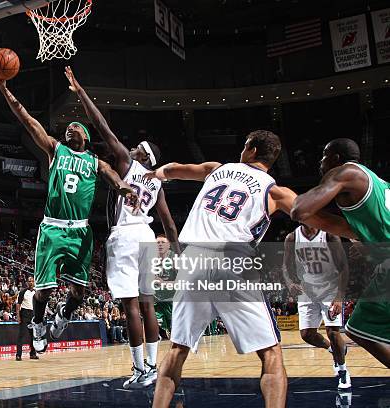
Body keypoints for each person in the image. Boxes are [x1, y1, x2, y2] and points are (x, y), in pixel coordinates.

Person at [145, 130, 354, 407]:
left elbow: (174, 170)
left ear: (252, 150)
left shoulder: (216, 170)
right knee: (271, 354)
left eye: (245, 146)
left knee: (177, 350)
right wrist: (363, 231)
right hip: (233, 260)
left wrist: (155, 174)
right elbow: (321, 219)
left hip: (192, 260)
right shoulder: (276, 191)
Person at [0, 65, 139, 354]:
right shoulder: (55, 149)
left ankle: (65, 316)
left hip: (80, 231)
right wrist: (4, 89)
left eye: (76, 126)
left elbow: (115, 181)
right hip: (53, 227)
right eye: (68, 127)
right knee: (43, 290)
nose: (70, 127)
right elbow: (28, 120)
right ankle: (40, 324)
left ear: (86, 138)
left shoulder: (96, 162)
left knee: (79, 292)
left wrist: (126, 190)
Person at [65, 66, 179, 388]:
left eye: (137, 148)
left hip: (126, 238)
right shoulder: (157, 183)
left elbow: (101, 126)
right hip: (146, 237)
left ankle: (140, 369)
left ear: (143, 155)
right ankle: (153, 366)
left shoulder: (128, 164)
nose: (130, 148)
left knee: (130, 306)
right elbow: (169, 224)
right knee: (148, 304)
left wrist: (80, 90)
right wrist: (179, 253)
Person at [292, 138, 390, 368]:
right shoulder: (376, 183)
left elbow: (300, 210)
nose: (320, 162)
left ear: (335, 158)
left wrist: (290, 201)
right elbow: (344, 227)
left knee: (359, 330)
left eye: (324, 156)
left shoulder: (344, 173)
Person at [283, 224, 350, 388]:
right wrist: (290, 283)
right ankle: (334, 350)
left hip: (330, 289)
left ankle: (342, 371)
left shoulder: (329, 235)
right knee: (306, 335)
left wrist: (339, 296)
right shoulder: (292, 237)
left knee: (333, 333)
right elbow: (285, 266)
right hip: (307, 290)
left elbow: (344, 267)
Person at [15, 276, 38, 361]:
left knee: (33, 336)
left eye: (32, 281)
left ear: (34, 282)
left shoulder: (36, 292)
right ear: (27, 282)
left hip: (33, 314)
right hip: (24, 314)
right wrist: (18, 317)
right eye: (29, 281)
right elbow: (18, 304)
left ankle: (32, 354)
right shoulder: (22, 292)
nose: (31, 282)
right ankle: (18, 355)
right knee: (21, 335)